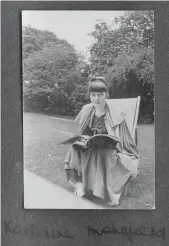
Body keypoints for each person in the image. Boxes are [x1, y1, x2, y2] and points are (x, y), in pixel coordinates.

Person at [64, 76, 139, 206]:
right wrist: (83, 138)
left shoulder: (116, 114)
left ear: (106, 95)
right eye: (93, 95)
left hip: (110, 149)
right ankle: (80, 184)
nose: (97, 98)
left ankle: (107, 192)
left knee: (103, 153)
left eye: (100, 95)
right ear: (89, 95)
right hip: (90, 146)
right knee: (75, 148)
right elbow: (82, 132)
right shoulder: (87, 110)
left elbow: (123, 140)